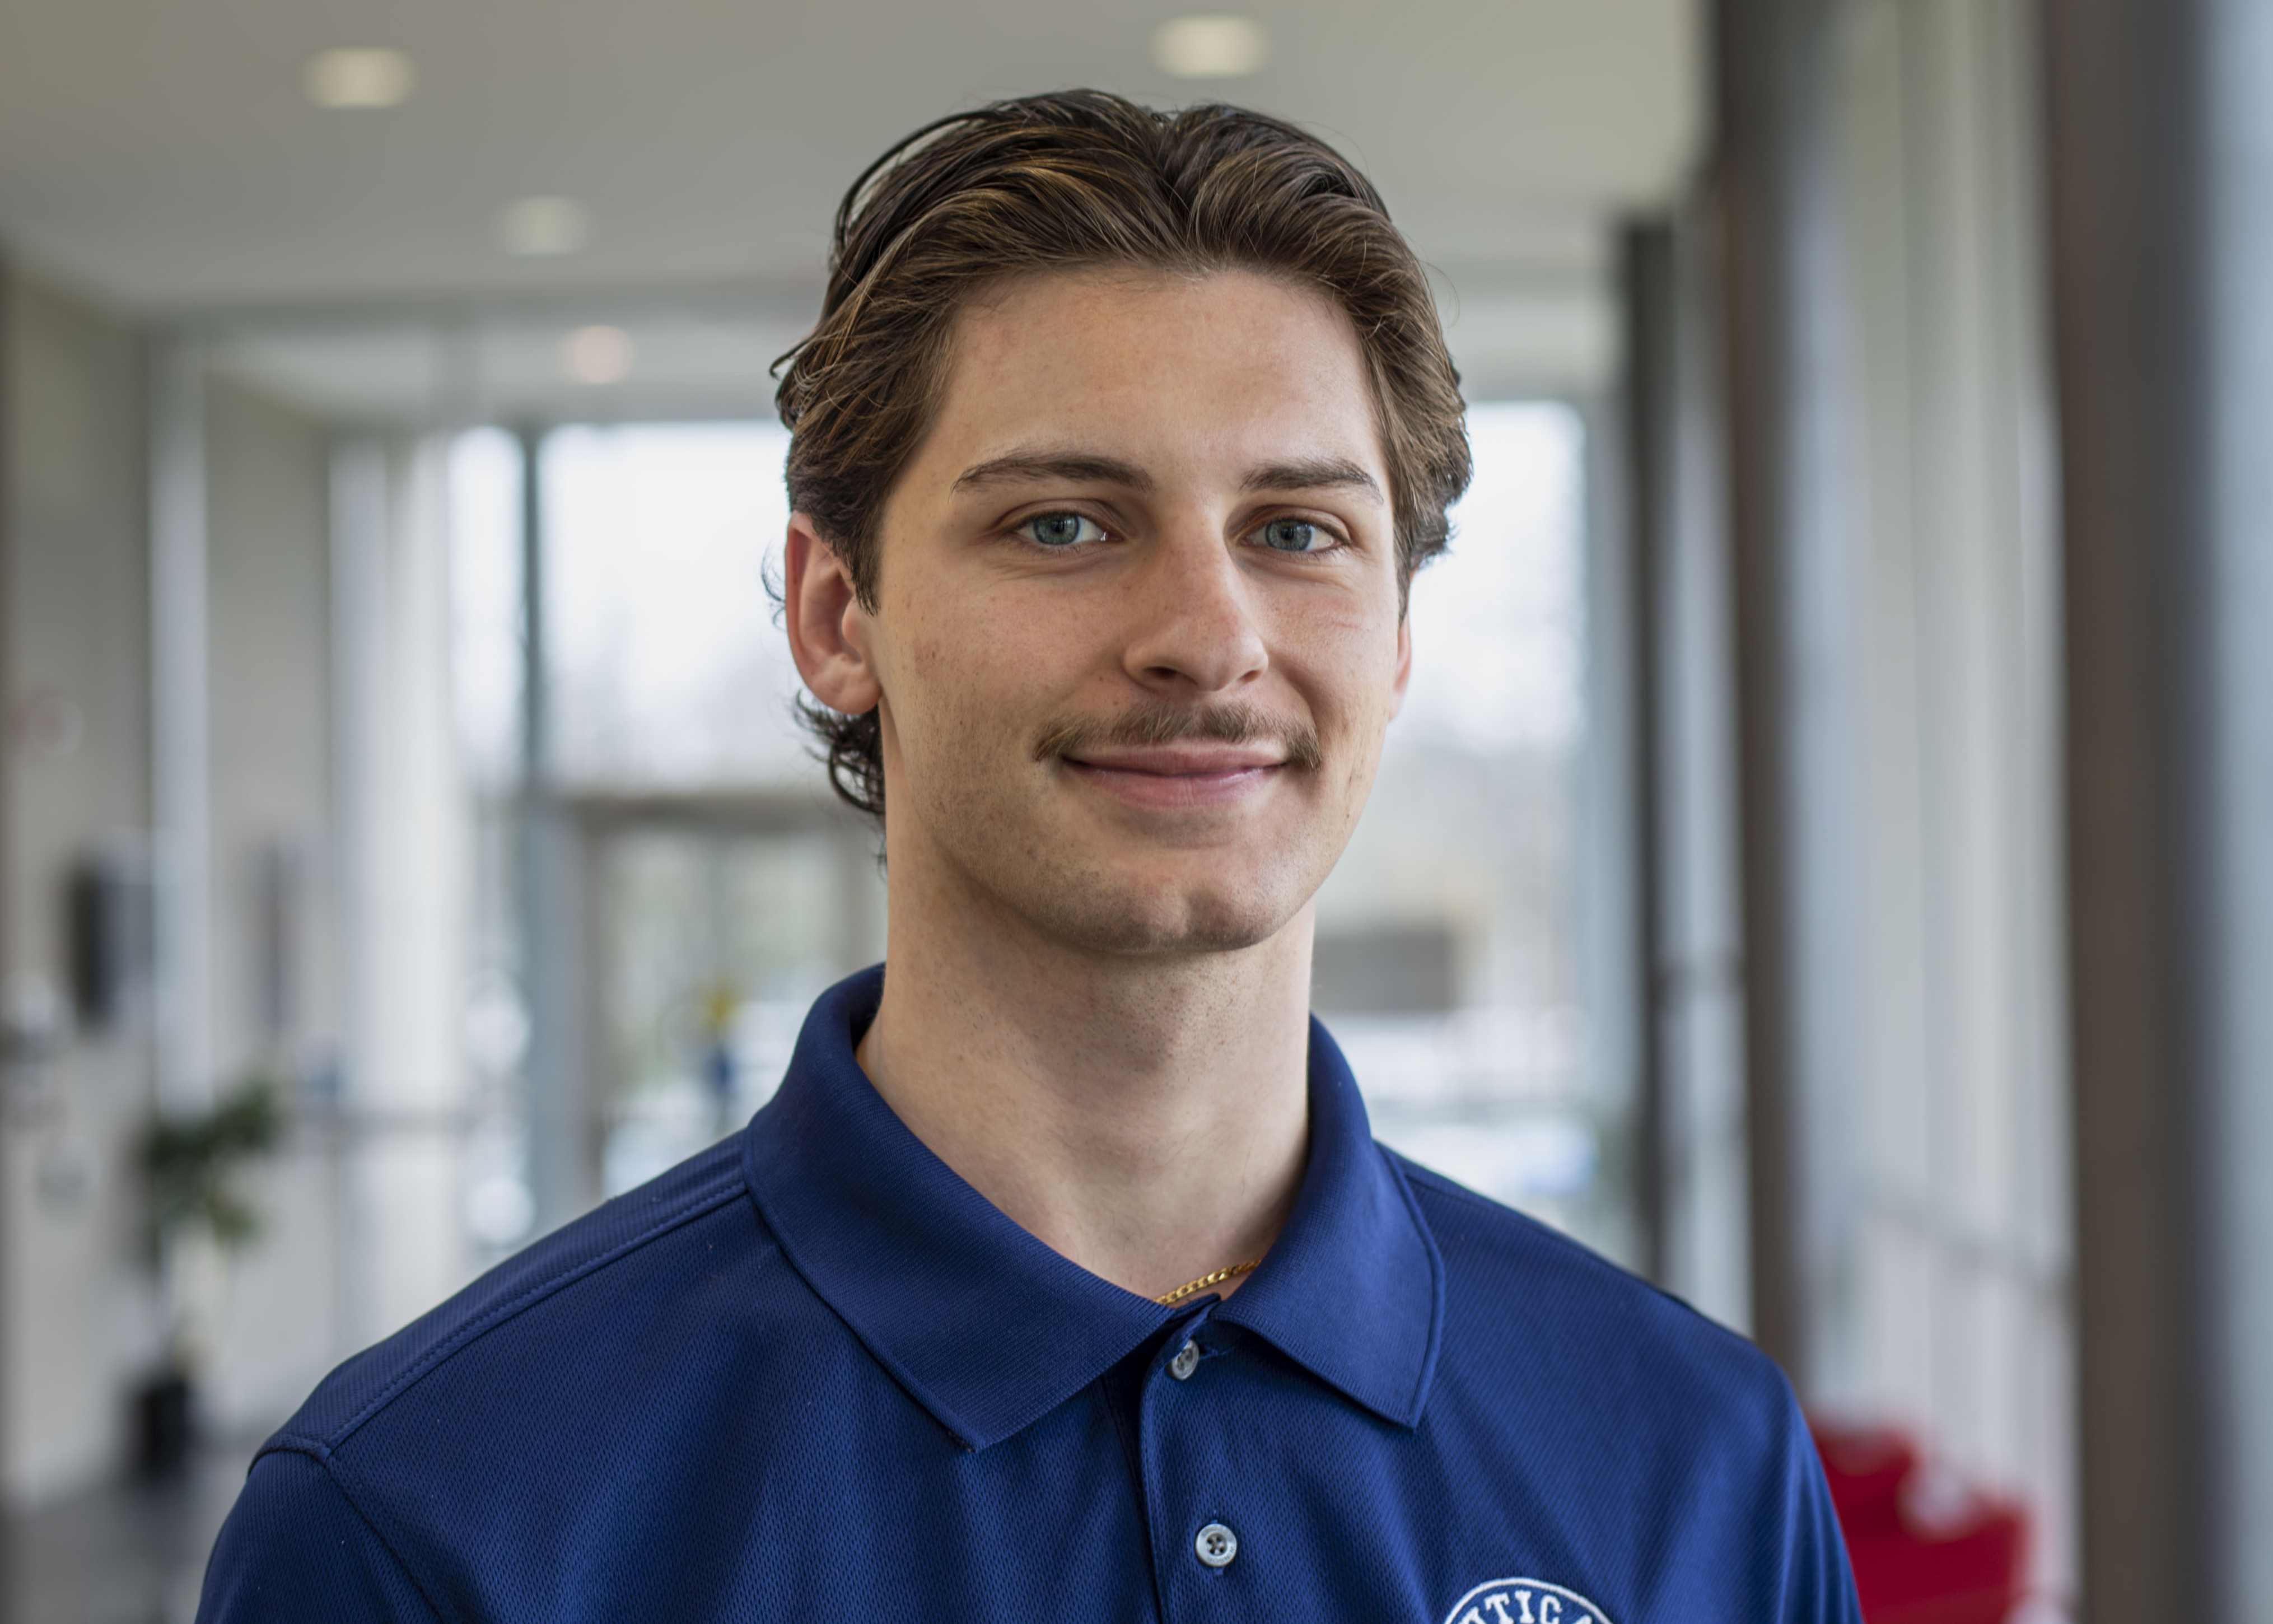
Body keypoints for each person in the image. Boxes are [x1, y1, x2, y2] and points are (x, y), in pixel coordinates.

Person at [198, 91, 1860, 1623]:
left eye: (1297, 532)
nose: (1209, 637)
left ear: (1401, 636)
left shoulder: (1690, 1459)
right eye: (1062, 522)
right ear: (836, 615)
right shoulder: (434, 1518)